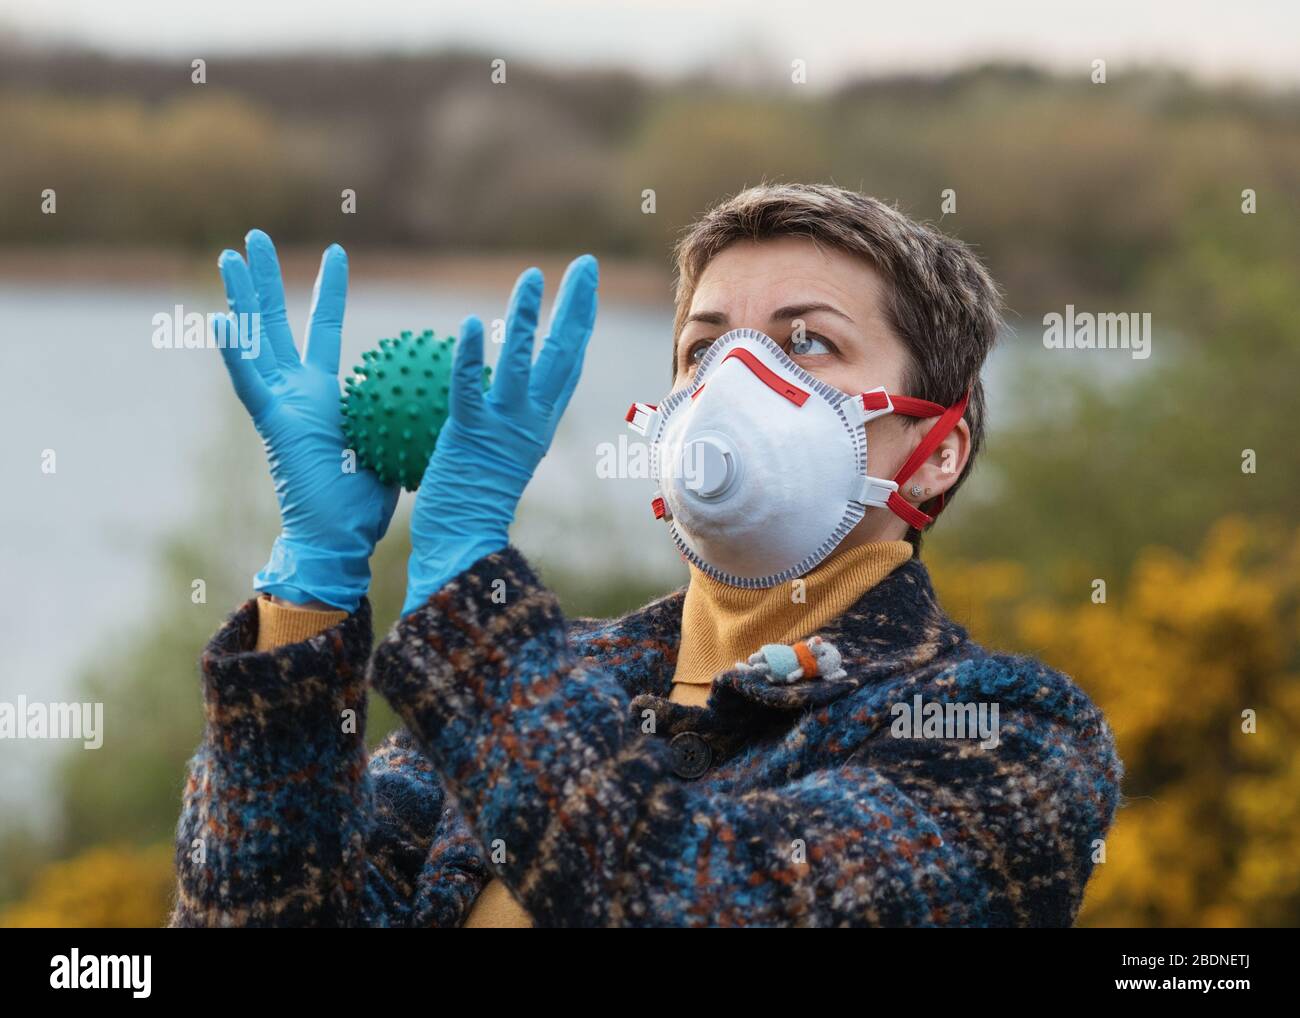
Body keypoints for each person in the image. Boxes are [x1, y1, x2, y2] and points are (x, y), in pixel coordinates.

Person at [169, 183, 1122, 928]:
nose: (736, 384)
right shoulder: (552, 680)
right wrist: (312, 589)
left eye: (810, 344)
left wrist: (468, 584)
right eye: (703, 349)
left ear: (936, 452)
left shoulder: (1006, 734)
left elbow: (703, 901)